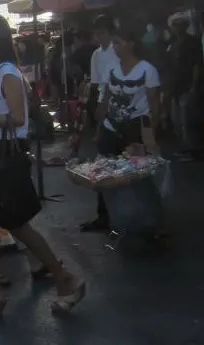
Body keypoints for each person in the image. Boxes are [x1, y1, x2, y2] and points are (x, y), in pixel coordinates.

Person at [0, 15, 84, 318]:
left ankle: (65, 279)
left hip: (8, 155)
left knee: (15, 224)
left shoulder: (7, 73)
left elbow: (19, 118)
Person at [84, 27, 161, 233]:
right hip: (111, 128)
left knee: (139, 176)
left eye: (118, 43)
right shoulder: (111, 69)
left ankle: (150, 221)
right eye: (114, 44)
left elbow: (154, 105)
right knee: (103, 173)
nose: (115, 47)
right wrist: (99, 128)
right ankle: (104, 217)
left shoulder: (147, 70)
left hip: (135, 129)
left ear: (131, 44)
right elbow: (105, 100)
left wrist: (150, 136)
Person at [168, 15, 202, 159]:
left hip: (188, 87)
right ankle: (185, 148)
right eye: (175, 25)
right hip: (175, 88)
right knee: (177, 122)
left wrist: (194, 87)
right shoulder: (173, 43)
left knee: (188, 121)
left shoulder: (193, 42)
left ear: (186, 26)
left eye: (181, 24)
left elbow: (197, 66)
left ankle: (194, 151)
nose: (178, 27)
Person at [88, 16, 120, 129]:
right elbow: (96, 82)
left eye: (102, 33)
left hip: (121, 97)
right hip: (103, 98)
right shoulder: (96, 54)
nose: (99, 37)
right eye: (97, 33)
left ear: (111, 33)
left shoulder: (119, 51)